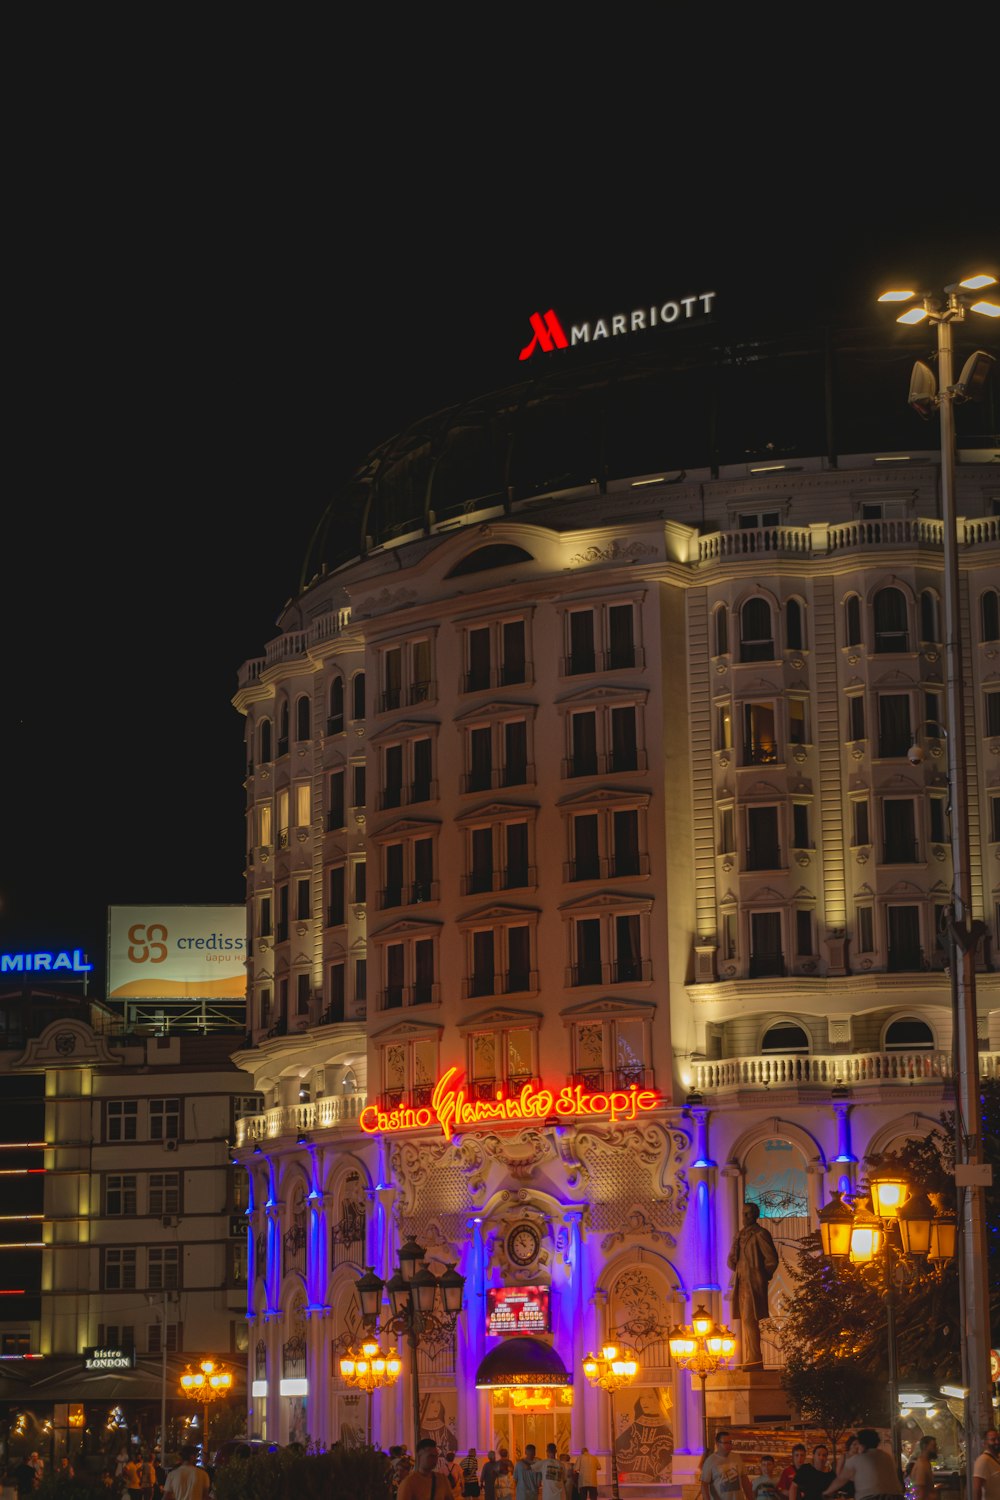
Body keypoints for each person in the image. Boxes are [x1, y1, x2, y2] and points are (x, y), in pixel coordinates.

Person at [727, 1202, 779, 1368]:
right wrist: (735, 1244)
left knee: (750, 1319)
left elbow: (771, 1259)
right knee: (745, 1321)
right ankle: (751, 1357)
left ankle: (755, 1359)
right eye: (743, 1214)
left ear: (755, 1215)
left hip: (752, 1282)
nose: (745, 1217)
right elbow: (731, 1262)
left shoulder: (760, 1233)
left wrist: (761, 1277)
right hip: (741, 1281)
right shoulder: (739, 1235)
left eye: (748, 1214)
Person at [822, 1429, 902, 1500]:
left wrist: (827, 1492)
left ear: (862, 1444)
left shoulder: (858, 1459)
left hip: (870, 1497)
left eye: (858, 1444)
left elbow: (841, 1479)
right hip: (896, 1496)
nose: (857, 1447)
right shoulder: (887, 1457)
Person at [701, 1430, 753, 1500]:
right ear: (717, 1444)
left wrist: (750, 1497)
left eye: (730, 1442)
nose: (729, 1445)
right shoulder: (710, 1461)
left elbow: (744, 1479)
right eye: (726, 1443)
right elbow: (704, 1484)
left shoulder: (737, 1457)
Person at [973, 1430, 1000, 1500]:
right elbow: (977, 1490)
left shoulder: (998, 1458)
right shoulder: (983, 1460)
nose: (997, 1442)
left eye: (998, 1439)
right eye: (993, 1440)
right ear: (985, 1443)